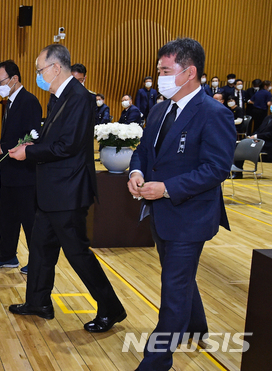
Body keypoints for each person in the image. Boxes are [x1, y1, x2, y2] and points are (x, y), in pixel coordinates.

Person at [127, 37, 236, 371]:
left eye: (164, 70)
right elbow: (145, 150)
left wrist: (167, 188)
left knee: (173, 287)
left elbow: (216, 169)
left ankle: (155, 362)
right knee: (180, 277)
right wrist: (136, 170)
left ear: (189, 72)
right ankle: (197, 326)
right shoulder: (160, 109)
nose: (157, 76)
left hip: (190, 216)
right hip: (162, 213)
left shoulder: (214, 114)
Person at [8, 44, 126, 333]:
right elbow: (54, 139)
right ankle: (38, 302)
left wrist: (30, 152)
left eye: (40, 70)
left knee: (78, 255)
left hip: (68, 192)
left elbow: (68, 145)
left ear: (56, 68)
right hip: (52, 190)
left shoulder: (80, 98)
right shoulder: (59, 98)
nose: (38, 75)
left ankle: (111, 308)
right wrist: (32, 146)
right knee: (40, 248)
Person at [0, 60, 42, 273]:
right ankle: (7, 255)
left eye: (0, 81)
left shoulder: (29, 102)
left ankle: (37, 261)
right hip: (9, 172)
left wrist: (3, 147)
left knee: (29, 219)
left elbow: (32, 138)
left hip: (25, 174)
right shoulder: (9, 102)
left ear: (15, 79)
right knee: (6, 217)